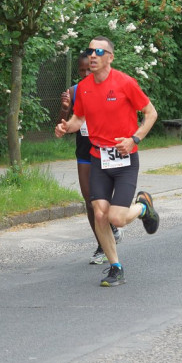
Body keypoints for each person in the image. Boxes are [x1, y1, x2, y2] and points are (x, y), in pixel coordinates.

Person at [54, 37, 160, 287]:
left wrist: (134, 139)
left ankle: (143, 207)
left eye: (98, 51)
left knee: (117, 218)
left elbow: (151, 113)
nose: (92, 55)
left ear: (110, 57)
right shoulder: (84, 87)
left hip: (124, 159)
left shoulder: (125, 83)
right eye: (89, 51)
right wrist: (66, 127)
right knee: (99, 213)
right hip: (99, 158)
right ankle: (115, 267)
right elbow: (79, 119)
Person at [59, 51, 122, 265]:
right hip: (85, 152)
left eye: (89, 68)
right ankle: (102, 244)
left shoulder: (108, 87)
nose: (86, 72)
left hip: (107, 150)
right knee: (89, 201)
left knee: (105, 200)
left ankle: (111, 227)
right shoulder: (74, 91)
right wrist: (65, 109)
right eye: (82, 70)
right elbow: (62, 125)